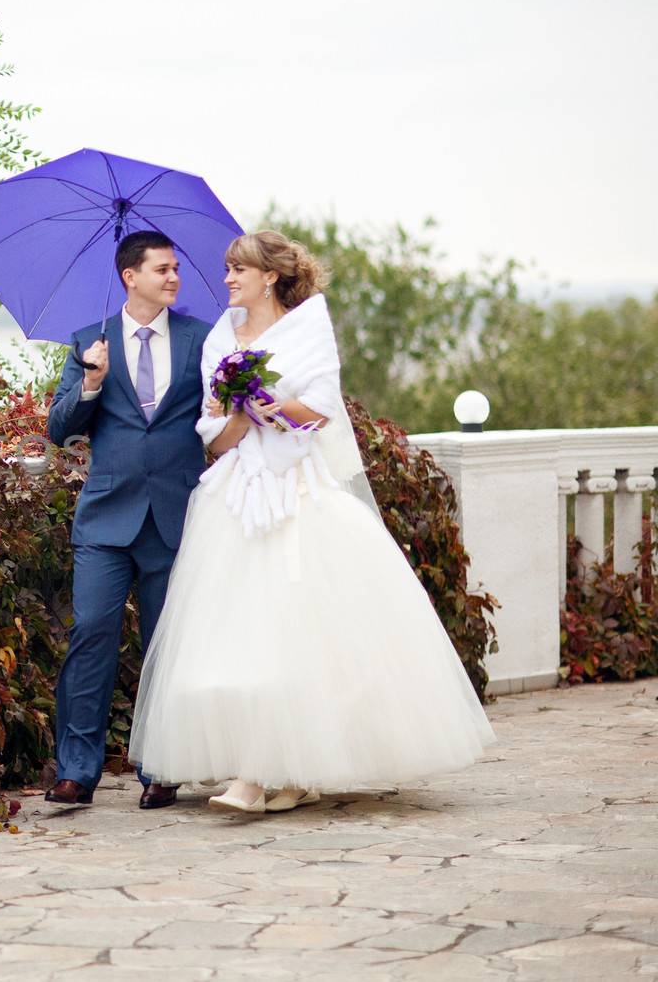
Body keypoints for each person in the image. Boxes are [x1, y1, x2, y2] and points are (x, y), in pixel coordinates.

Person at [128, 230, 496, 814]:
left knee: (294, 633)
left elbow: (321, 410)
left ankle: (276, 775)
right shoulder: (220, 335)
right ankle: (259, 770)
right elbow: (216, 435)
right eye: (226, 268)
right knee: (238, 633)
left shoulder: (308, 326)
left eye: (237, 269)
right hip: (236, 497)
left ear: (269, 276)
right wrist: (241, 414)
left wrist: (266, 400)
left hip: (299, 494)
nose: (226, 279)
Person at [44, 229, 214, 809]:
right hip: (106, 521)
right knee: (90, 635)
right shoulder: (87, 342)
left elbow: (218, 419)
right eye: (161, 269)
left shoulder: (200, 339)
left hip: (176, 515)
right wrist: (91, 381)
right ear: (130, 276)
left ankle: (162, 767)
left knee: (166, 647)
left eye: (175, 268)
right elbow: (59, 428)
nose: (173, 277)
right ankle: (75, 771)